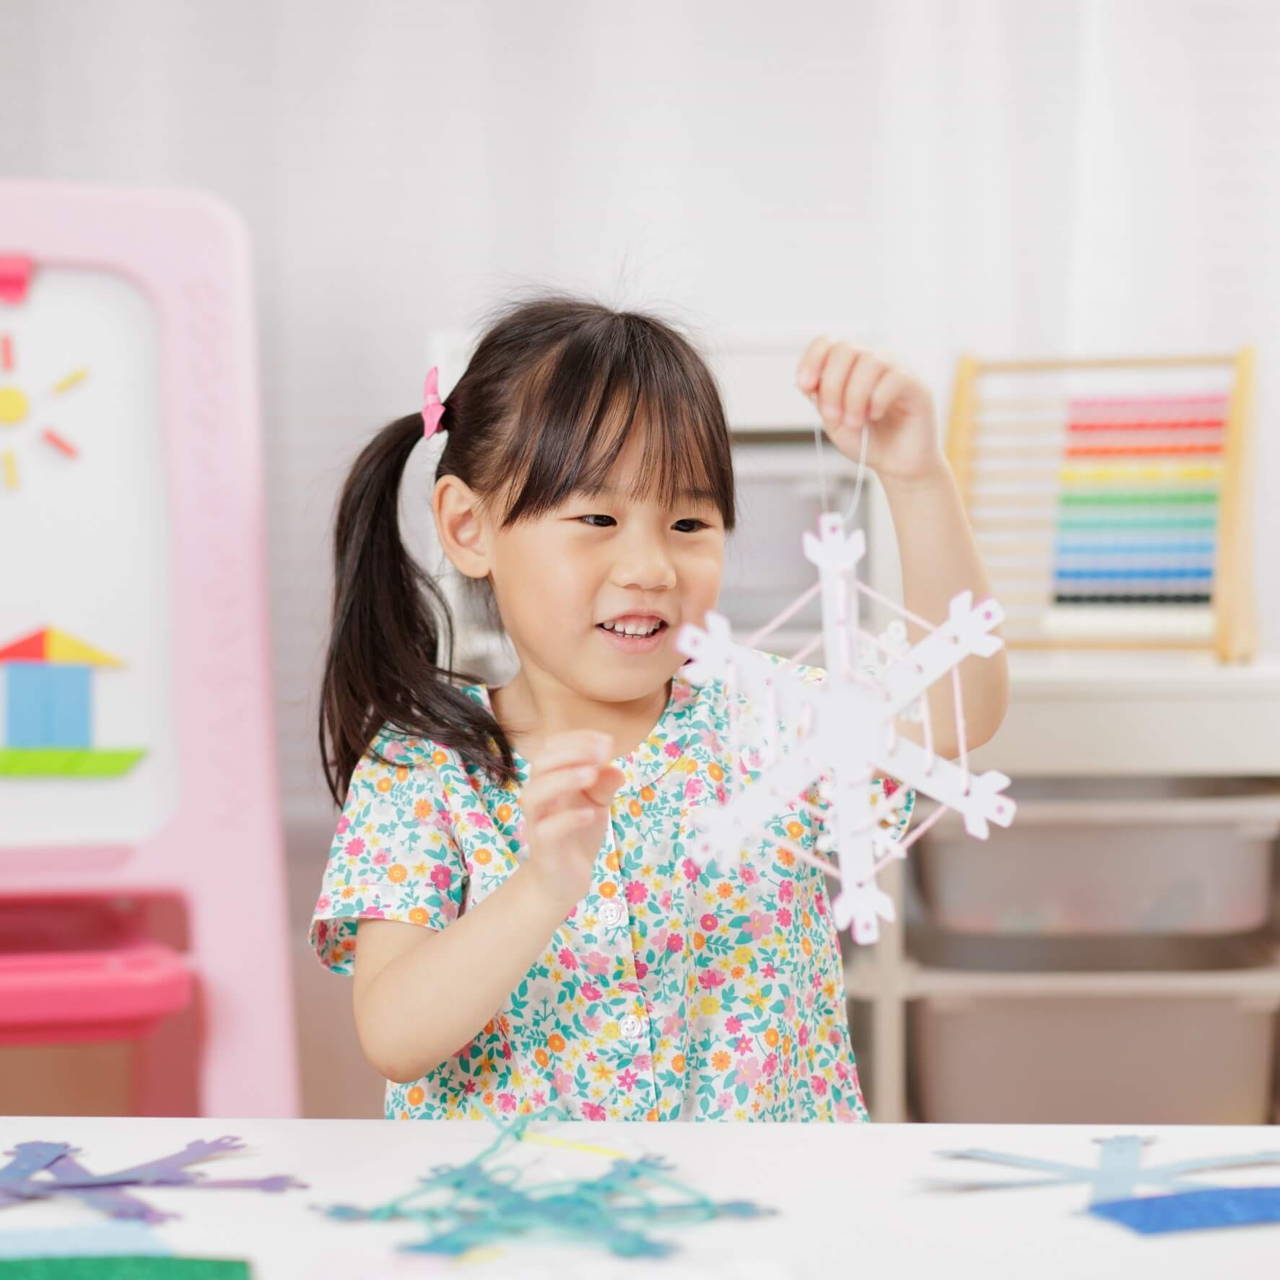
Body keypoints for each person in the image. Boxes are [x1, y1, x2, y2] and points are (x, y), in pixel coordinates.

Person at [310, 291, 1008, 1122]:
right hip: (532, 1232)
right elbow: (394, 1033)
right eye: (597, 516)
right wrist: (540, 887)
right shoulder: (423, 762)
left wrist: (916, 475)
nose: (650, 566)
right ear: (469, 527)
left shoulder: (765, 721)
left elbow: (953, 709)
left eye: (688, 521)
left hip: (770, 1227)